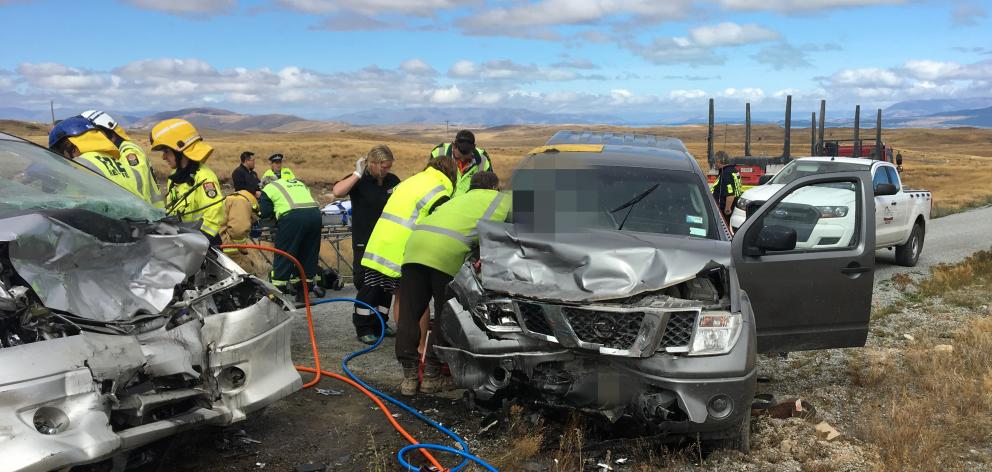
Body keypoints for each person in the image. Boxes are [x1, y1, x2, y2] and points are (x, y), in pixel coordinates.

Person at [396, 171, 510, 395]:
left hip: (413, 250)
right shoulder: (503, 200)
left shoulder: (457, 198)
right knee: (446, 315)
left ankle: (409, 379)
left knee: (410, 313)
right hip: (446, 256)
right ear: (495, 187)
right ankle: (431, 376)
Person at [353, 155, 457, 345]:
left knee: (402, 297)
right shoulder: (440, 189)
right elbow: (441, 225)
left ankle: (404, 343)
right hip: (404, 249)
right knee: (418, 300)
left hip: (382, 245)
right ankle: (419, 348)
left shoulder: (413, 180)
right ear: (451, 173)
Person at [331, 144, 400, 293]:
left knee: (386, 286)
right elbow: (337, 191)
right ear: (373, 163)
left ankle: (381, 316)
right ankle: (365, 315)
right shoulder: (359, 180)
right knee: (363, 284)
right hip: (364, 241)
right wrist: (356, 173)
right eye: (383, 167)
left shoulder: (393, 180)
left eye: (389, 167)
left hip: (387, 242)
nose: (386, 170)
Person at [150, 119, 225, 245]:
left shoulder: (204, 178)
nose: (163, 157)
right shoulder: (174, 179)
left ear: (180, 149)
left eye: (167, 151)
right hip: (182, 242)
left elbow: (214, 215)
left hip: (202, 246)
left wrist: (198, 240)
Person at [259, 176, 323, 301]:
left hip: (293, 219)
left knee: (285, 254)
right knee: (308, 255)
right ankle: (303, 295)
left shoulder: (268, 189)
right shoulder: (297, 183)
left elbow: (265, 212)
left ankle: (278, 296)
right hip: (315, 216)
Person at [80, 110, 162, 207]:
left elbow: (137, 182)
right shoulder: (112, 152)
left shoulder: (129, 150)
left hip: (150, 212)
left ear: (107, 132)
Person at [48, 116, 142, 199]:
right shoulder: (115, 160)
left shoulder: (79, 165)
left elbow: (68, 201)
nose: (62, 157)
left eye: (60, 151)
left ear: (69, 146)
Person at [429, 129, 493, 197]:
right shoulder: (439, 153)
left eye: (467, 159)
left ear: (473, 148)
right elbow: (428, 182)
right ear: (453, 146)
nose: (462, 160)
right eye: (458, 158)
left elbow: (491, 190)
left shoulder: (483, 160)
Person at [220, 189, 260, 272]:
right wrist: (240, 247)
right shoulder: (241, 202)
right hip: (228, 245)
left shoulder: (239, 198)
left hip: (217, 239)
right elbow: (238, 230)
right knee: (242, 271)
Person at [711, 151, 742, 218]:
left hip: (725, 211)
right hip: (734, 206)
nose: (715, 164)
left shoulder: (726, 174)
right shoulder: (734, 170)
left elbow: (730, 194)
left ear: (719, 161)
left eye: (715, 161)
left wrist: (727, 209)